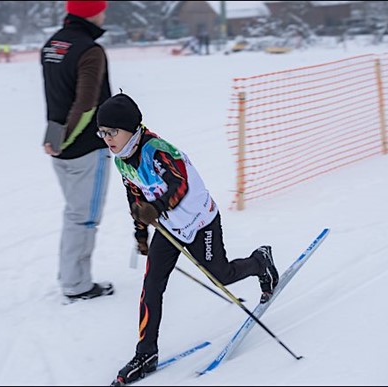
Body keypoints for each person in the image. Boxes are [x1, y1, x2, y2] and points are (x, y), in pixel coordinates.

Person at [96, 92, 280, 385]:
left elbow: (178, 184)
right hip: (169, 229)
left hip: (200, 222)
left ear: (131, 127)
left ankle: (261, 261)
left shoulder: (157, 150)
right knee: (151, 286)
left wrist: (154, 209)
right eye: (102, 132)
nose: (106, 138)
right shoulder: (121, 160)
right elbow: (135, 196)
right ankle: (146, 353)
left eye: (112, 131)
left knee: (222, 275)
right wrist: (141, 232)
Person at [41, 0, 114, 301]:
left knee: (74, 214)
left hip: (58, 145)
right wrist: (65, 140)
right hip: (85, 148)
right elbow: (86, 104)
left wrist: (53, 138)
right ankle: (76, 284)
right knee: (83, 218)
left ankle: (70, 276)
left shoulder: (52, 44)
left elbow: (54, 96)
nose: (104, 14)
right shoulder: (89, 50)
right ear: (92, 12)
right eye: (102, 9)